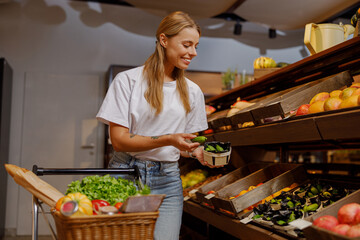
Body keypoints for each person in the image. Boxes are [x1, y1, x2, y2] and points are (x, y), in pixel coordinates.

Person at [96, 11, 209, 240]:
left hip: (167, 179)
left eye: (196, 46)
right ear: (164, 40)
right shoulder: (128, 81)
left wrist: (197, 151)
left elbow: (184, 144)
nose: (193, 53)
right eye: (187, 44)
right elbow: (119, 142)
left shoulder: (193, 92)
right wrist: (168, 139)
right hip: (126, 173)